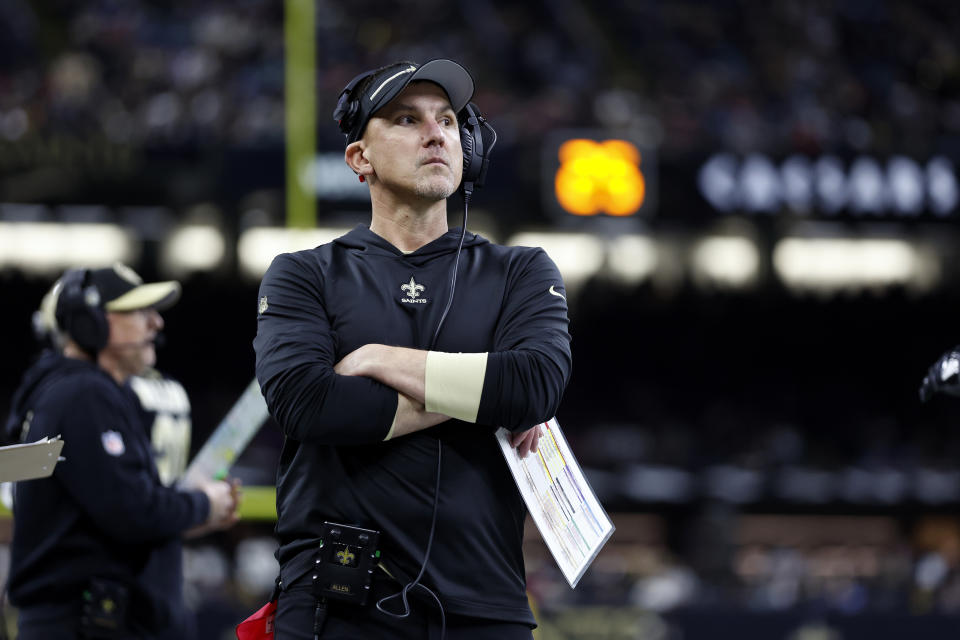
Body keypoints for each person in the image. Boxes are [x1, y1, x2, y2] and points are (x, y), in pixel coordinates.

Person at [253, 59, 572, 639]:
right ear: (359, 159)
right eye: (406, 118)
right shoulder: (302, 275)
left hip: (485, 606)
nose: (436, 133)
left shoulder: (521, 270)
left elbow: (536, 383)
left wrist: (379, 359)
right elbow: (308, 405)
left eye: (448, 121)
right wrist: (486, 394)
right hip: (338, 606)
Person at [3, 263, 240, 639]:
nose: (156, 324)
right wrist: (203, 503)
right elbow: (132, 512)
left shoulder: (65, 392)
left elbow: (101, 519)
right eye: (137, 311)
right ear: (89, 322)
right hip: (88, 624)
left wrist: (186, 515)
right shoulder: (82, 394)